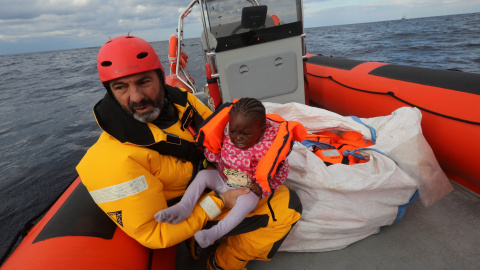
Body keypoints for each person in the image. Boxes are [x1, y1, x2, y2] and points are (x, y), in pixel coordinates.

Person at [76, 35, 303, 270]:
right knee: (288, 206)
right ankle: (223, 262)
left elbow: (219, 140)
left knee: (279, 187)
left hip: (220, 180)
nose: (136, 97)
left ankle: (202, 241)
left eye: (144, 82)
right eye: (121, 87)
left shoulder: (184, 103)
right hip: (184, 213)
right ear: (109, 91)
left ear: (160, 77)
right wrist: (219, 200)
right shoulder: (110, 160)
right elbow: (153, 232)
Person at [155, 98, 297, 249]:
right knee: (203, 176)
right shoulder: (227, 131)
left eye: (245, 134)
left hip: (246, 189)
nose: (238, 138)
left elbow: (280, 172)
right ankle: (183, 207)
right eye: (234, 131)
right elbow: (216, 150)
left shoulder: (270, 147)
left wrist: (263, 189)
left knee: (249, 202)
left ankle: (214, 233)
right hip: (222, 178)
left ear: (261, 131)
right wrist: (211, 155)